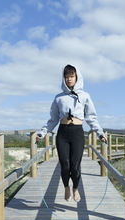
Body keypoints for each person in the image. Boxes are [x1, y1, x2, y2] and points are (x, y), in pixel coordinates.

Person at [36, 64, 107, 202]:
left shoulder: (85, 96)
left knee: (75, 166)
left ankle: (75, 188)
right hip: (62, 133)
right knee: (65, 165)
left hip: (77, 133)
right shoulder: (58, 98)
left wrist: (100, 133)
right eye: (66, 76)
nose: (69, 79)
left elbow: (91, 117)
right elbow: (53, 120)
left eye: (72, 76)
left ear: (77, 77)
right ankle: (66, 187)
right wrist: (42, 133)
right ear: (64, 79)